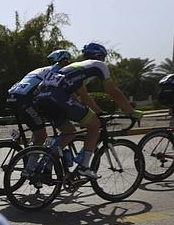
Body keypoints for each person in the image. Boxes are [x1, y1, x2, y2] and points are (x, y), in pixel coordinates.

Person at [34, 43, 143, 178]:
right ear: (99, 56)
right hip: (57, 98)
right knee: (94, 125)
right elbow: (112, 91)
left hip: (42, 99)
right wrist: (130, 111)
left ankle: (46, 164)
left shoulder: (74, 69)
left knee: (69, 132)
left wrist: (98, 111)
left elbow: (83, 97)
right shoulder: (99, 65)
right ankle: (84, 167)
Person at [7, 49, 72, 147]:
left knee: (38, 127)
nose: (69, 64)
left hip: (14, 98)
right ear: (63, 61)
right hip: (24, 100)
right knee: (42, 135)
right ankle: (31, 161)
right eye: (67, 61)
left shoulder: (41, 70)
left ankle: (31, 150)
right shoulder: (56, 70)